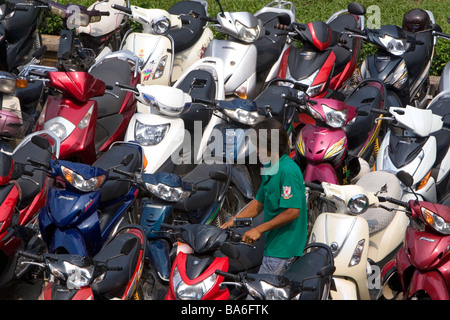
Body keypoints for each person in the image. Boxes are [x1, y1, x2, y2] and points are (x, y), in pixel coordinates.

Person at [220, 118, 307, 276]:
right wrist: (233, 221)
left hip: (283, 249)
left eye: (259, 146)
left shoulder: (288, 171)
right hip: (272, 244)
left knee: (257, 294)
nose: (257, 151)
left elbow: (292, 211)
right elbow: (259, 203)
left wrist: (258, 230)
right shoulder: (269, 167)